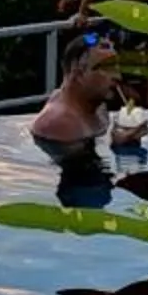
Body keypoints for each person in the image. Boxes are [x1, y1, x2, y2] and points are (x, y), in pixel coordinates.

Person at [28, 33, 125, 193]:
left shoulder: (98, 105)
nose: (118, 77)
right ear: (79, 73)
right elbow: (82, 179)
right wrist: (120, 147)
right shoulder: (60, 123)